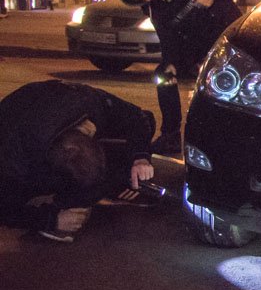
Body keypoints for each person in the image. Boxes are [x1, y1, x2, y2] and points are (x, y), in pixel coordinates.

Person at [116, 0, 242, 155]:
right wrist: (170, 62)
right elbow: (167, 35)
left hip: (224, 26)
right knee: (163, 76)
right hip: (195, 40)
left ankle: (229, 136)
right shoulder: (153, 9)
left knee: (223, 78)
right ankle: (171, 135)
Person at [0, 81, 157, 243]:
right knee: (11, 202)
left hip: (55, 102)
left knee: (146, 125)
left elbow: (139, 117)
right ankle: (70, 201)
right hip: (16, 135)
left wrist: (140, 158)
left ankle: (108, 183)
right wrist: (51, 219)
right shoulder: (13, 162)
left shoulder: (88, 104)